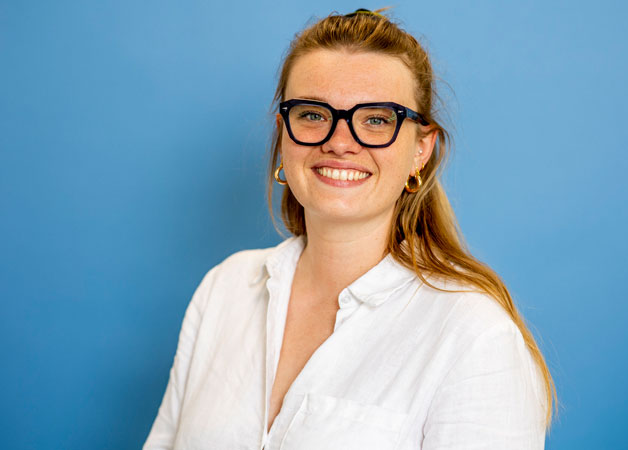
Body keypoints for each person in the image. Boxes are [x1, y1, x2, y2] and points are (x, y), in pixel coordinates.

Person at [143, 8, 557, 450]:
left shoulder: (474, 335)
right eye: (313, 114)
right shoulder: (224, 289)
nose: (339, 142)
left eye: (376, 119)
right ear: (283, 135)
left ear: (421, 149)